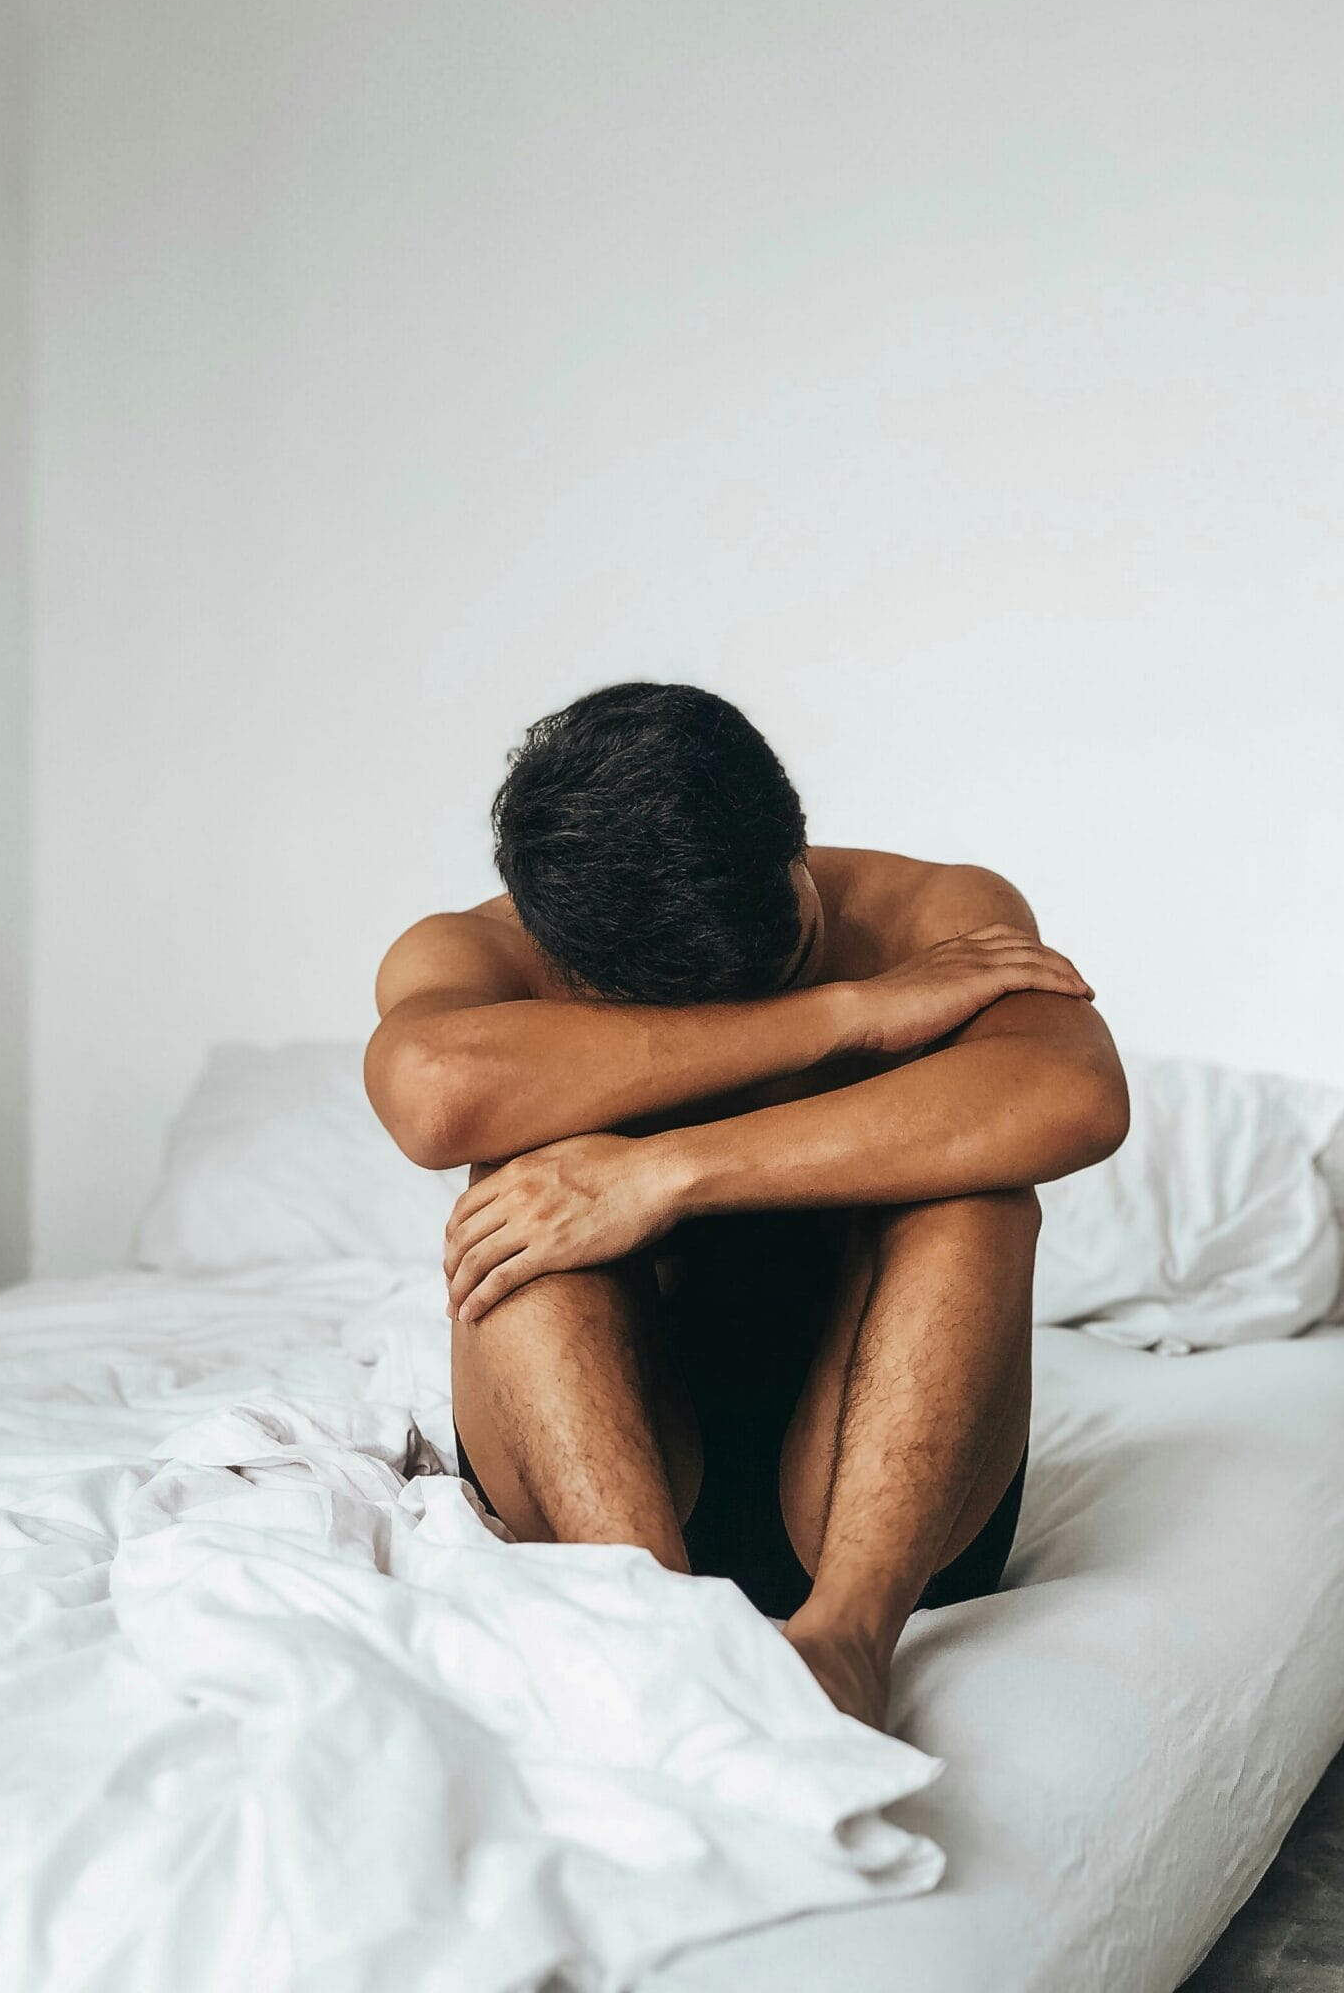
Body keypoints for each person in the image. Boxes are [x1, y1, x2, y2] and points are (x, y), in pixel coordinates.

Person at [364, 681, 1129, 1727]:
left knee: (979, 1188)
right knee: (517, 1190)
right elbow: (434, 1094)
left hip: (873, 1486)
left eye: (790, 967)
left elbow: (1074, 1095)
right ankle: (663, 1636)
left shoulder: (935, 915)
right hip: (603, 1476)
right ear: (561, 952)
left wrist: (661, 1170)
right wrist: (840, 1015)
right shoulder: (480, 954)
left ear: (796, 850)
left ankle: (849, 1644)